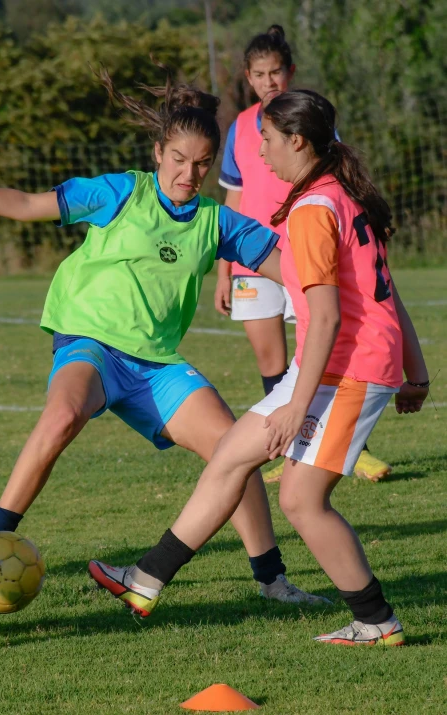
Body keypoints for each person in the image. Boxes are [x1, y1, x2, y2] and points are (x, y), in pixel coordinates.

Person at [0, 69, 328, 606]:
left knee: (233, 451)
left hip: (157, 364)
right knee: (64, 413)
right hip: (91, 344)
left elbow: (296, 274)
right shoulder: (122, 192)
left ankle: (272, 582)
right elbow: (30, 205)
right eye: (178, 160)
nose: (188, 174)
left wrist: (341, 292)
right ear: (157, 153)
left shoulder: (217, 222)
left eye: (200, 165)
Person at [90, 89, 430, 646]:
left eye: (267, 140)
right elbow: (387, 296)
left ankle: (376, 620)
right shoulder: (340, 193)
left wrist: (297, 408)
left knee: (300, 500)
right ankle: (146, 579)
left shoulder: (315, 209)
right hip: (341, 365)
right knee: (230, 452)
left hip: (348, 368)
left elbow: (324, 316)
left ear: (297, 141)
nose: (261, 153)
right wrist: (416, 373)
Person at [215, 25, 391, 483]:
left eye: (276, 72)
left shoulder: (308, 123)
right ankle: (286, 444)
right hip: (254, 259)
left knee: (323, 343)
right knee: (271, 359)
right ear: (248, 77)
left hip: (305, 253)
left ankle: (351, 444)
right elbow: (232, 199)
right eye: (259, 74)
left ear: (289, 73)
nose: (269, 81)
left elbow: (341, 181)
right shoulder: (239, 128)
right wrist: (222, 269)